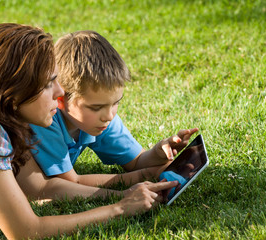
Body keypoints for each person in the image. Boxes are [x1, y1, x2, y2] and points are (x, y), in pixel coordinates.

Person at [0, 23, 178, 239]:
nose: (60, 93)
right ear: (13, 91)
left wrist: (147, 170)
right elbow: (26, 231)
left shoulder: (2, 127)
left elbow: (38, 189)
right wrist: (120, 207)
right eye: (48, 84)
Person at [29, 30, 198, 187]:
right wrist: (146, 175)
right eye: (96, 107)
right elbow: (69, 182)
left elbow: (136, 161)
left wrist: (157, 153)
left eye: (116, 103)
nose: (109, 116)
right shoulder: (44, 120)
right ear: (60, 99)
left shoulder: (101, 121)